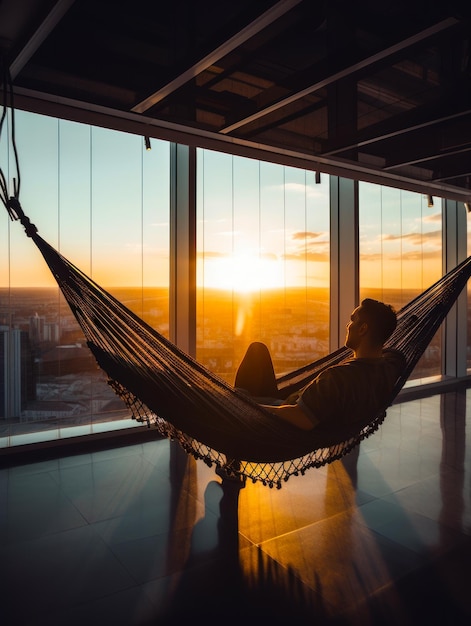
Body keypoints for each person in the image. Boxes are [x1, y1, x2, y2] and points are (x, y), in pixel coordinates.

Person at [234, 298, 406, 431]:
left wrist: (245, 406)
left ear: (363, 329)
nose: (348, 325)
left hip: (280, 418)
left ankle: (233, 455)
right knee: (258, 349)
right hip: (295, 403)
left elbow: (301, 418)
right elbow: (395, 355)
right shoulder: (389, 368)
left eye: (353, 320)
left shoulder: (337, 378)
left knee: (230, 398)